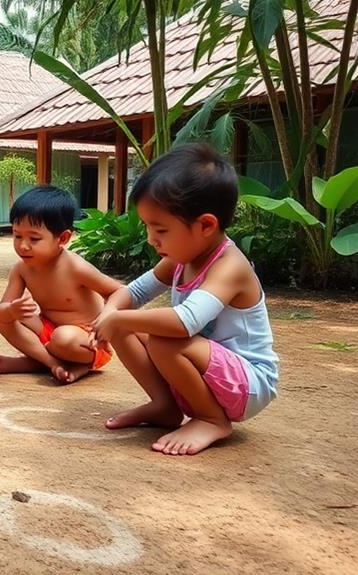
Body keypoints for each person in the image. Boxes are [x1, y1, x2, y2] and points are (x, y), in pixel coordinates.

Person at [93, 143, 279, 455]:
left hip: (249, 384)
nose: (152, 239)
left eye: (161, 229)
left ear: (206, 225)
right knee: (125, 322)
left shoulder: (229, 266)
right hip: (208, 373)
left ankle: (211, 419)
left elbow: (184, 323)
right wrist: (110, 312)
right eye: (148, 227)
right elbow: (132, 293)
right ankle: (165, 406)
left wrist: (119, 317)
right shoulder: (181, 257)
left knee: (165, 338)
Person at [0, 186, 125, 383]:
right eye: (17, 235)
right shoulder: (21, 269)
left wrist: (105, 321)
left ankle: (69, 365)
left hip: (84, 340)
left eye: (34, 238)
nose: (23, 245)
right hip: (50, 333)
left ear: (62, 238)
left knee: (62, 339)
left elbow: (119, 291)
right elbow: (2, 313)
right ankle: (51, 363)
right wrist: (12, 310)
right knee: (5, 319)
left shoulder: (75, 267)